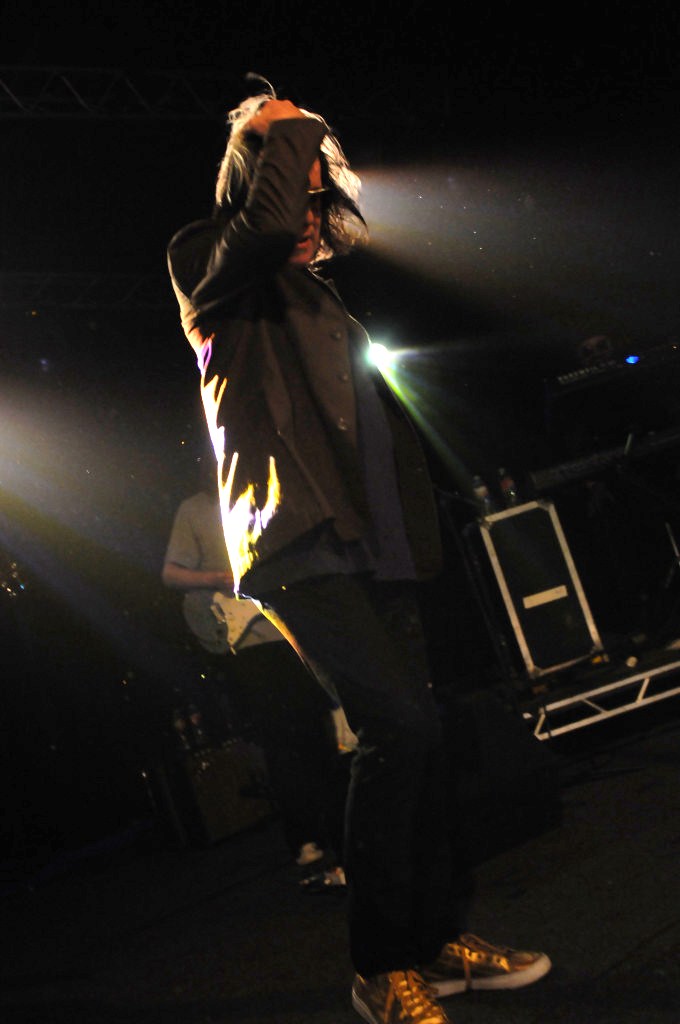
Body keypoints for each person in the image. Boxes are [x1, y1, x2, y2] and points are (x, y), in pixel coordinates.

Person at [167, 79, 551, 1024]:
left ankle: (436, 940)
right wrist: (283, 121)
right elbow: (261, 224)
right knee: (399, 730)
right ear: (253, 178)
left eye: (310, 191)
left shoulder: (322, 296)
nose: (302, 206)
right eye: (283, 168)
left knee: (425, 736)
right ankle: (382, 967)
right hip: (296, 539)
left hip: (374, 541)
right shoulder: (206, 260)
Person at [162, 478, 352, 889]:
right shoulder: (195, 509)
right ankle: (306, 840)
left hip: (291, 631)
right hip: (248, 643)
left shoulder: (265, 491)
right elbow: (171, 574)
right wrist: (223, 577)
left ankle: (336, 840)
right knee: (283, 741)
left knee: (314, 735)